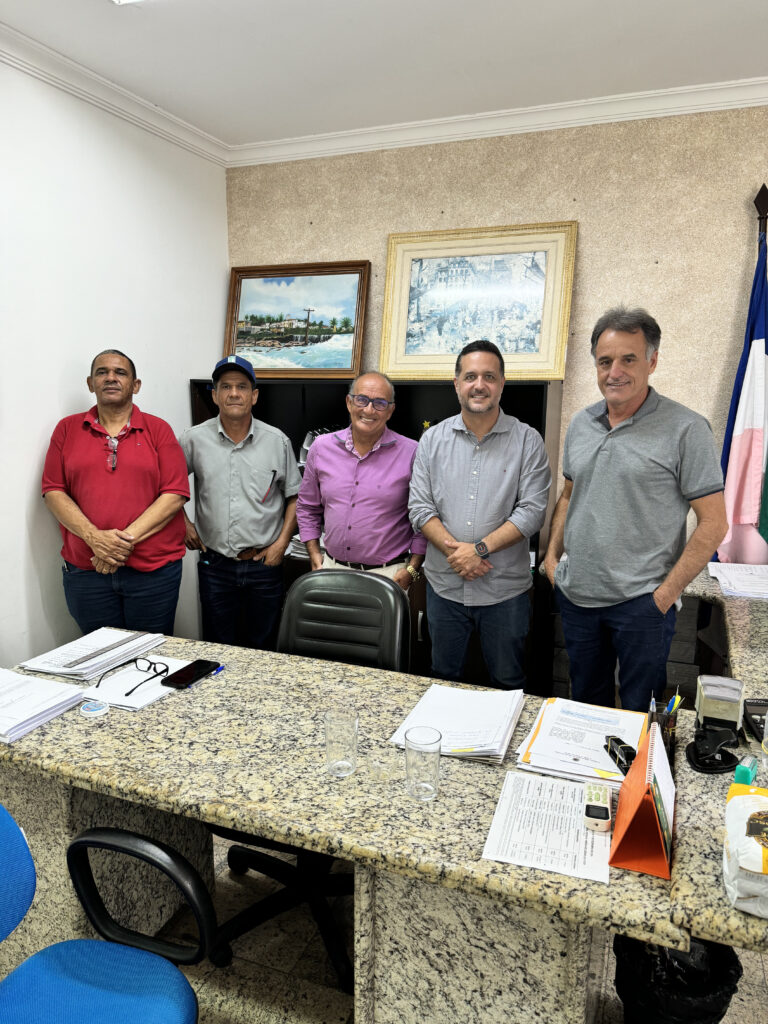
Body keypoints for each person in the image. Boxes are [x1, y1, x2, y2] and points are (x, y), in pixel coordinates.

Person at [543, 307, 728, 712]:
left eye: (628, 359)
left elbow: (714, 523)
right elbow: (570, 494)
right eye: (605, 361)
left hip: (643, 604)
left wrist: (665, 595)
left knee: (641, 714)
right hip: (578, 597)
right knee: (584, 708)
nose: (615, 372)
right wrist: (552, 561)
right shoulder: (581, 424)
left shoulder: (686, 429)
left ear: (652, 361)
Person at [408, 340, 551, 689]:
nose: (479, 385)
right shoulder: (432, 440)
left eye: (489, 376)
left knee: (508, 683)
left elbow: (532, 512)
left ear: (502, 384)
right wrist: (459, 555)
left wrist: (479, 550)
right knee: (443, 680)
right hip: (444, 589)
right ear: (456, 383)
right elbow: (420, 507)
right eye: (470, 376)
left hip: (505, 593)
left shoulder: (528, 440)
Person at [42, 349, 189, 635]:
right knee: (99, 655)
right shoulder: (66, 429)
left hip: (153, 573)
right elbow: (53, 491)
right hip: (87, 572)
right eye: (102, 372)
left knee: (150, 653)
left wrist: (114, 547)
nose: (111, 378)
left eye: (120, 372)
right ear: (90, 383)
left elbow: (175, 494)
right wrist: (94, 539)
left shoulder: (159, 430)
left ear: (136, 385)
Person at [179, 355, 300, 649]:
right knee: (218, 647)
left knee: (264, 647)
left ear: (254, 396)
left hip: (264, 565)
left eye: (242, 387)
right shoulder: (193, 439)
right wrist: (183, 523)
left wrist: (282, 544)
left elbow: (296, 497)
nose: (234, 393)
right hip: (215, 565)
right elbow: (167, 488)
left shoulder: (277, 441)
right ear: (214, 395)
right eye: (226, 387)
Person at [295, 371, 426, 589]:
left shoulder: (412, 452)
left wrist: (412, 569)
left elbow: (424, 516)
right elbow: (307, 506)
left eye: (380, 403)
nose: (369, 410)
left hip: (388, 575)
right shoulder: (321, 447)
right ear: (349, 402)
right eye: (362, 400)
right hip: (331, 569)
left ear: (390, 410)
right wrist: (314, 554)